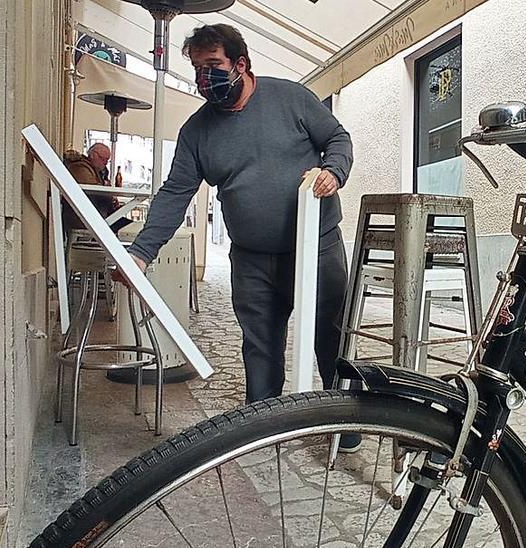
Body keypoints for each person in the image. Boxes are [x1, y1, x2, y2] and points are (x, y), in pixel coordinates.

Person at [124, 24, 357, 440]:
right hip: (252, 258)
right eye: (197, 68)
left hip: (317, 248)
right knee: (260, 342)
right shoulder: (197, 131)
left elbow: (337, 137)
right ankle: (265, 427)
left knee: (330, 335)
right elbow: (176, 192)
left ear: (241, 64)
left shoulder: (291, 98)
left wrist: (332, 171)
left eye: (213, 65)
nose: (203, 77)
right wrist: (141, 251)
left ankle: (343, 424)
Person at [62, 143, 129, 233]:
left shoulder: (97, 171)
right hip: (85, 220)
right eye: (102, 158)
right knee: (128, 230)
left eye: (107, 160)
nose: (105, 163)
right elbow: (93, 189)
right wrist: (110, 196)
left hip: (93, 218)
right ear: (92, 155)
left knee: (128, 228)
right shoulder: (80, 167)